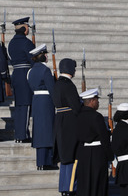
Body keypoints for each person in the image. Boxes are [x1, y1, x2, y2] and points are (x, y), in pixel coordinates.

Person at [74, 88, 114, 196]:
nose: (98, 102)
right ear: (92, 101)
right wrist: (110, 156)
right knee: (98, 184)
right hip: (97, 153)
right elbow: (103, 138)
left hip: (83, 153)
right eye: (97, 100)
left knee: (85, 183)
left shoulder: (78, 116)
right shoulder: (96, 116)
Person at [53, 58, 82, 196]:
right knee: (72, 156)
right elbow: (76, 106)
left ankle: (64, 187)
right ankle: (71, 187)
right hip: (70, 121)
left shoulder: (58, 83)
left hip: (60, 119)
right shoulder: (68, 85)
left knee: (65, 156)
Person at [27, 44, 57, 169]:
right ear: (43, 56)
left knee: (39, 131)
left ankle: (40, 162)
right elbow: (52, 89)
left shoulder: (31, 70)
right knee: (47, 130)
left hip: (36, 100)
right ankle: (47, 161)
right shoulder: (45, 70)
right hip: (46, 100)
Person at [8, 17, 35, 142]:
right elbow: (32, 59)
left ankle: (19, 133)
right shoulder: (27, 43)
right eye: (27, 27)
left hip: (16, 74)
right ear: (24, 28)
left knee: (19, 105)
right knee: (25, 105)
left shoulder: (12, 43)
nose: (29, 29)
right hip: (25, 74)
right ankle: (22, 134)